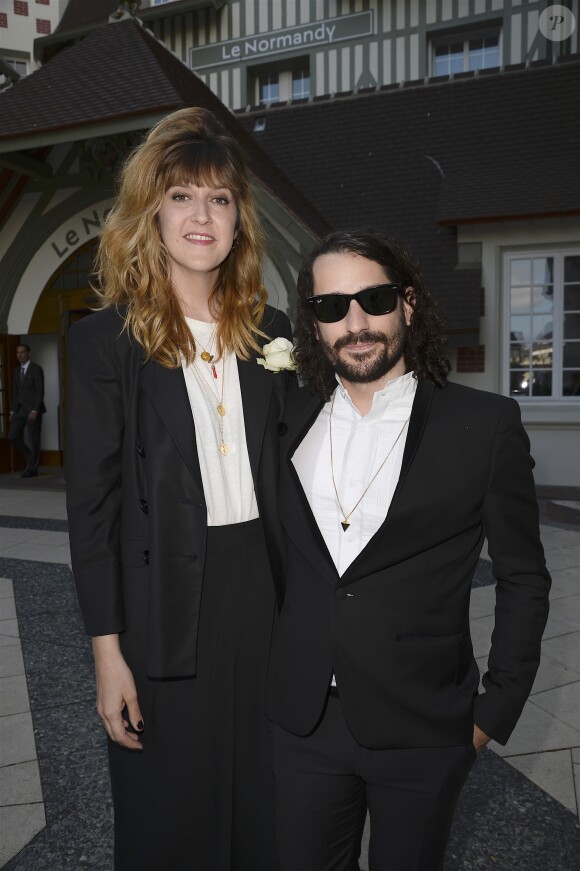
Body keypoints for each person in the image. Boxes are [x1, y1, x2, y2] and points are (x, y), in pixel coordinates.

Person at [268, 230, 551, 871]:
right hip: (302, 723)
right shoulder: (285, 419)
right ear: (313, 325)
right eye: (332, 307)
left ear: (410, 304)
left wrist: (491, 714)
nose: (356, 323)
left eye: (374, 298)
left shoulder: (484, 426)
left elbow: (524, 578)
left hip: (425, 730)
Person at [66, 107, 295, 871]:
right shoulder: (106, 343)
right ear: (150, 212)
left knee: (267, 803)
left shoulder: (274, 334)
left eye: (221, 198)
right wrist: (108, 654)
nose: (203, 214)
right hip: (161, 601)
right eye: (182, 195)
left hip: (263, 597)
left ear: (239, 221)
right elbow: (92, 509)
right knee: (169, 815)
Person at [9, 343, 46, 478]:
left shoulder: (36, 369)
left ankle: (32, 469)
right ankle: (31, 458)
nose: (20, 355)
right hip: (19, 410)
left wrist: (35, 410)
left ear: (28, 353)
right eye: (18, 352)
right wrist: (12, 411)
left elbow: (40, 391)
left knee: (33, 439)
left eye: (22, 352)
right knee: (12, 436)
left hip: (33, 411)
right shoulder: (16, 371)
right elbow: (15, 392)